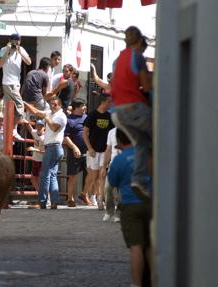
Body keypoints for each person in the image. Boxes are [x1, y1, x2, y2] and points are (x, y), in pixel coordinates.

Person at [111, 26, 152, 201]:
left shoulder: (119, 58)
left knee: (142, 142)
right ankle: (152, 179)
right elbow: (147, 86)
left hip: (118, 112)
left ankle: (138, 180)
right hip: (134, 107)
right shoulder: (138, 57)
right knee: (162, 136)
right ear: (140, 42)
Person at [107, 129, 151, 287]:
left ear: (119, 140)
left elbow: (112, 182)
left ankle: (137, 284)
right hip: (150, 201)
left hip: (130, 204)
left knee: (136, 247)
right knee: (151, 246)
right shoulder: (147, 154)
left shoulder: (119, 159)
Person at [24, 97, 67, 209]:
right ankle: (53, 202)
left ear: (60, 105)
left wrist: (47, 118)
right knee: (52, 176)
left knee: (45, 175)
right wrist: (23, 102)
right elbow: (36, 111)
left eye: (55, 104)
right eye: (51, 104)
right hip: (54, 148)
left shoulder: (61, 116)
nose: (52, 106)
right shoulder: (50, 112)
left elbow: (53, 128)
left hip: (53, 147)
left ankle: (42, 202)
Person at [81, 94, 114, 208]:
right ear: (103, 102)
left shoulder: (110, 116)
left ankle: (100, 199)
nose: (111, 104)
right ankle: (88, 194)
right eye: (109, 101)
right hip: (93, 150)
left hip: (105, 150)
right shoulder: (92, 115)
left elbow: (113, 133)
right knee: (93, 175)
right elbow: (84, 132)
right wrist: (89, 148)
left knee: (102, 175)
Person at [0, 33, 31, 134]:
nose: (15, 43)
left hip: (16, 83)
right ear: (9, 41)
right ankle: (13, 129)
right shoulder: (4, 50)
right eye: (14, 41)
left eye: (18, 41)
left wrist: (19, 51)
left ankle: (8, 129)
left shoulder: (20, 50)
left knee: (11, 108)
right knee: (20, 105)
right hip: (8, 82)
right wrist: (7, 51)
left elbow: (28, 62)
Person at [63, 98, 87, 207]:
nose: (85, 108)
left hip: (88, 151)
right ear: (76, 108)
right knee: (73, 176)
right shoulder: (69, 120)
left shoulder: (87, 118)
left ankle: (85, 194)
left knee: (92, 173)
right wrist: (74, 147)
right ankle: (70, 199)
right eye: (83, 106)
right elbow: (66, 137)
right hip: (75, 152)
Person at [102, 127, 122, 222]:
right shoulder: (111, 131)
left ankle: (119, 213)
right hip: (113, 165)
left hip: (125, 163)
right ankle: (109, 211)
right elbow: (108, 150)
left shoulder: (130, 129)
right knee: (107, 187)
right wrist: (103, 166)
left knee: (122, 190)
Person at [22, 119, 45, 191]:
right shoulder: (35, 132)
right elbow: (30, 129)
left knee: (42, 180)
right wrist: (26, 122)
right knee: (33, 179)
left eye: (41, 126)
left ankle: (46, 198)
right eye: (37, 125)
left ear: (44, 127)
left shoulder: (46, 137)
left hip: (42, 160)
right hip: (36, 159)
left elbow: (47, 151)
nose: (39, 127)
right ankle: (41, 195)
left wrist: (34, 149)